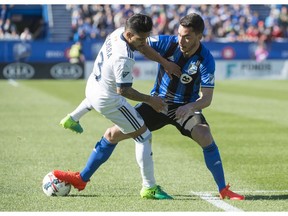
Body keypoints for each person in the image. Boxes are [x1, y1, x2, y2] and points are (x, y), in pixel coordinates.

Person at [56, 13, 245, 200]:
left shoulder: (206, 59)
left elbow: (207, 98)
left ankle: (223, 189)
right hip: (158, 103)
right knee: (112, 134)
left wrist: (190, 107)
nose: (181, 40)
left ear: (199, 37)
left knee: (204, 135)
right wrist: (165, 62)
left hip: (184, 108)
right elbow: (142, 45)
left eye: (187, 37)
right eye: (179, 34)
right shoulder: (168, 42)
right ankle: (82, 178)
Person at [53, 13, 181, 200]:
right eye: (141, 38)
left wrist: (164, 62)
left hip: (93, 87)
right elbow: (124, 91)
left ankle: (72, 119)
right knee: (144, 136)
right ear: (130, 36)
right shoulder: (124, 57)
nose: (144, 42)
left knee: (112, 134)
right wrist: (150, 100)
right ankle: (149, 187)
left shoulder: (118, 32)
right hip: (109, 99)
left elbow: (144, 48)